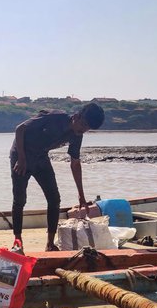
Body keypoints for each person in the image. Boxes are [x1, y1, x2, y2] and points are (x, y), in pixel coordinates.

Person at [10, 103, 105, 251]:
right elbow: (20, 129)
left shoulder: (77, 135)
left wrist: (81, 195)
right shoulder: (54, 117)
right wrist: (21, 159)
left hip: (41, 157)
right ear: (77, 116)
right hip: (21, 155)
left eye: (87, 129)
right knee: (20, 199)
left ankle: (50, 244)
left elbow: (75, 163)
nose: (82, 130)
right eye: (83, 125)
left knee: (54, 199)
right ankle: (18, 241)